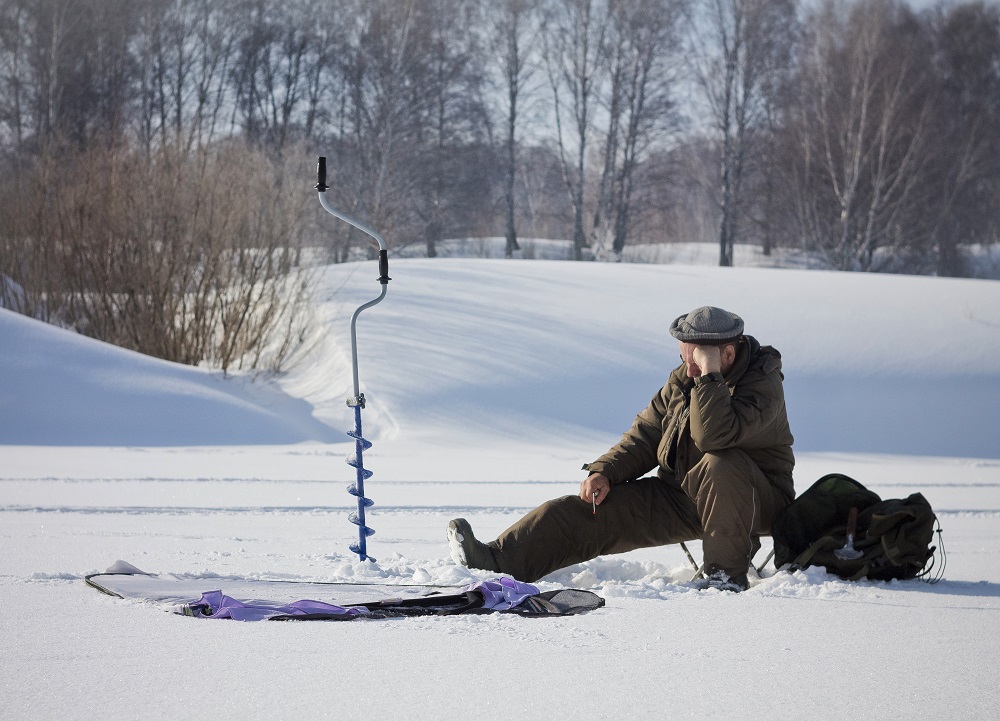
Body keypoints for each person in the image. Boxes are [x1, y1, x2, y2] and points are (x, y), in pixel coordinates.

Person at [447, 306, 795, 592]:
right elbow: (646, 433)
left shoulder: (762, 384)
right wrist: (606, 470)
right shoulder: (684, 379)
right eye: (684, 358)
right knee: (588, 511)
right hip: (684, 495)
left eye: (696, 360)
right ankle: (497, 562)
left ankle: (724, 578)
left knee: (721, 464)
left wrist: (709, 377)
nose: (687, 369)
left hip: (753, 502)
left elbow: (714, 438)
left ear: (727, 355)